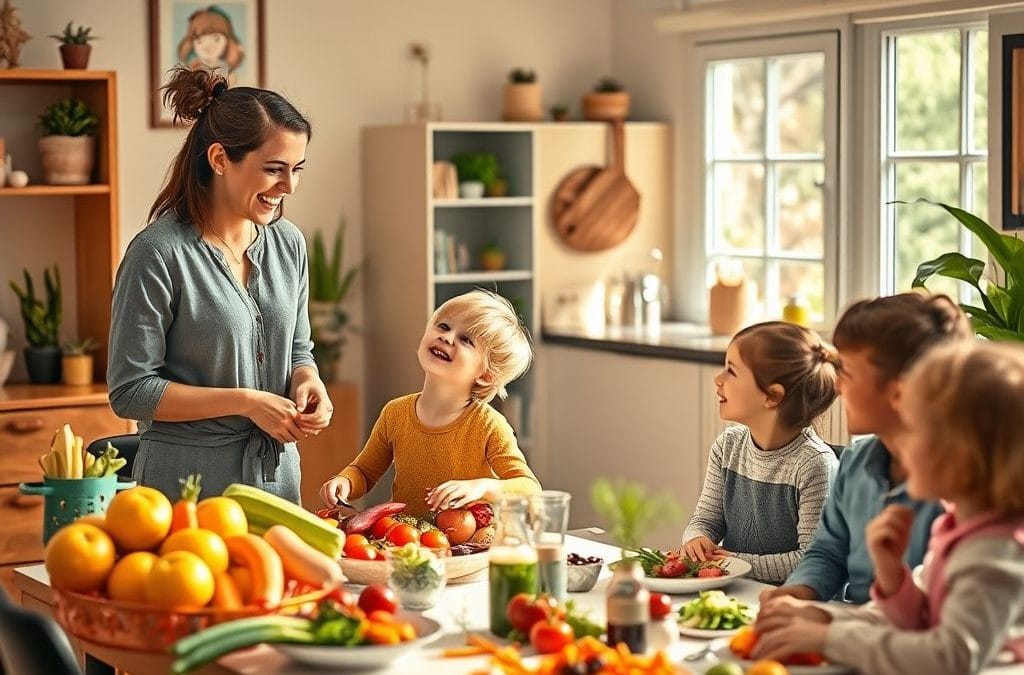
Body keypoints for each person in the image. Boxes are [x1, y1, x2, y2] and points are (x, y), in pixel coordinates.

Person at [107, 66, 331, 503]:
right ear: (219, 159)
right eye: (274, 169)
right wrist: (246, 401)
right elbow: (130, 391)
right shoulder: (158, 253)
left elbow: (298, 349)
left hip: (277, 480)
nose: (289, 186)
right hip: (186, 487)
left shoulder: (289, 244)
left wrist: (309, 380)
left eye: (297, 169)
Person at [753, 340, 1024, 674]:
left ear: (961, 456)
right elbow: (916, 620)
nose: (898, 443)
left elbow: (949, 656)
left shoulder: (993, 553)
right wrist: (882, 583)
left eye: (912, 430)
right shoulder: (958, 528)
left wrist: (830, 638)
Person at [760, 292, 971, 605]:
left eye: (845, 370)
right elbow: (828, 552)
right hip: (858, 633)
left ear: (898, 390)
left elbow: (939, 618)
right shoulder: (856, 459)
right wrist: (797, 594)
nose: (836, 385)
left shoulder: (960, 488)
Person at [320, 289, 540, 518]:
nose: (447, 337)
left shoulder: (489, 425)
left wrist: (482, 487)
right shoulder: (394, 413)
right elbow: (364, 472)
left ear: (485, 375)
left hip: (467, 548)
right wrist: (344, 481)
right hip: (408, 543)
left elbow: (529, 488)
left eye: (466, 339)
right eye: (443, 326)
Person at [680, 322, 839, 585]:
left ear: (772, 396)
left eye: (731, 371)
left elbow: (810, 560)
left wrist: (731, 563)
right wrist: (696, 539)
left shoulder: (814, 464)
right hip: (740, 590)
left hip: (789, 602)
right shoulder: (727, 447)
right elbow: (705, 520)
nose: (718, 379)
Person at [178, 6, 244, 84]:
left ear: (227, 41)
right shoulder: (194, 69)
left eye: (216, 39)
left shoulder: (227, 70)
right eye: (199, 41)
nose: (208, 46)